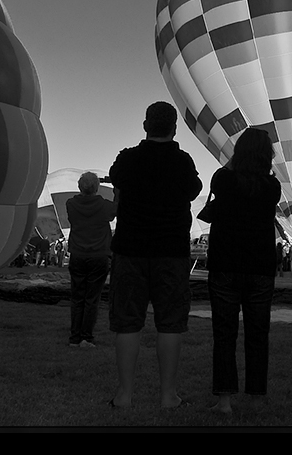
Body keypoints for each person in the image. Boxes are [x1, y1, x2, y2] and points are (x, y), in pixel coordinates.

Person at [107, 102, 203, 409]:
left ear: (145, 125)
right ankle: (167, 395)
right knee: (170, 323)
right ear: (174, 128)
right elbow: (192, 190)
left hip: (130, 250)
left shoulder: (127, 159)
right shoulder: (183, 162)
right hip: (171, 252)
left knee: (127, 322)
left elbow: (117, 184)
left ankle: (124, 395)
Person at [206, 128, 282, 415]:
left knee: (224, 333)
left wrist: (236, 160)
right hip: (260, 266)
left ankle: (224, 401)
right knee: (257, 333)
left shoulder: (223, 180)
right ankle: (256, 398)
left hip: (225, 264)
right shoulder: (272, 188)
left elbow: (222, 174)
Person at [66, 171, 117, 347]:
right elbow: (118, 207)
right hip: (99, 256)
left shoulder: (71, 204)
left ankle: (74, 338)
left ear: (80, 186)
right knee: (91, 299)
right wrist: (117, 186)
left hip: (77, 255)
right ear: (97, 188)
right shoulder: (103, 206)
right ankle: (86, 337)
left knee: (77, 298)